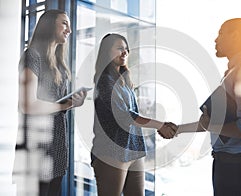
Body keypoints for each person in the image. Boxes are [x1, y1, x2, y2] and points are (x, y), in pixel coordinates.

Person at [172, 18, 241, 195]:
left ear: (235, 36)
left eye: (221, 34)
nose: (216, 40)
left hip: (238, 170)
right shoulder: (234, 73)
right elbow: (215, 124)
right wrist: (178, 129)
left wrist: (211, 125)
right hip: (231, 166)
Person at [91, 33, 176, 196]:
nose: (124, 53)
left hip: (134, 148)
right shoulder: (105, 82)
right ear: (107, 52)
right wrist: (161, 125)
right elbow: (125, 116)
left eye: (126, 49)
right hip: (111, 152)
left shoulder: (125, 80)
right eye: (119, 48)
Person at [16, 9, 87, 196]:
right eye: (64, 23)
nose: (69, 30)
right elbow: (27, 104)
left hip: (57, 149)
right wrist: (64, 105)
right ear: (49, 25)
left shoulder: (59, 64)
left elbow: (57, 104)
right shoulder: (32, 56)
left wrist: (72, 102)